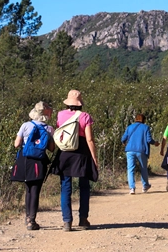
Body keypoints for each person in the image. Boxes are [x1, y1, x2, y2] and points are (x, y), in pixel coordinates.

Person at [52, 90, 99, 232]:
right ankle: (83, 219)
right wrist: (95, 158)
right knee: (84, 187)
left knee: (66, 187)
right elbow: (89, 139)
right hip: (82, 153)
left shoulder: (60, 115)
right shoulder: (85, 116)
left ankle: (67, 221)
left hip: (65, 153)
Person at [13, 101, 55, 231]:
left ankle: (27, 218)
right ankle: (32, 220)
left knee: (28, 189)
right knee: (36, 190)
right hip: (39, 161)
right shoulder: (49, 129)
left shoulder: (25, 125)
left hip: (25, 159)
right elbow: (52, 149)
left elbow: (16, 144)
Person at [121, 113, 160, 195]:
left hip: (130, 150)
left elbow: (123, 138)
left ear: (136, 119)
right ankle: (145, 186)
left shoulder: (129, 127)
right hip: (141, 150)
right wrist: (155, 143)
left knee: (130, 169)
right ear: (143, 120)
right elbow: (149, 140)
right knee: (143, 168)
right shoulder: (146, 127)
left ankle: (132, 188)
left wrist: (125, 143)